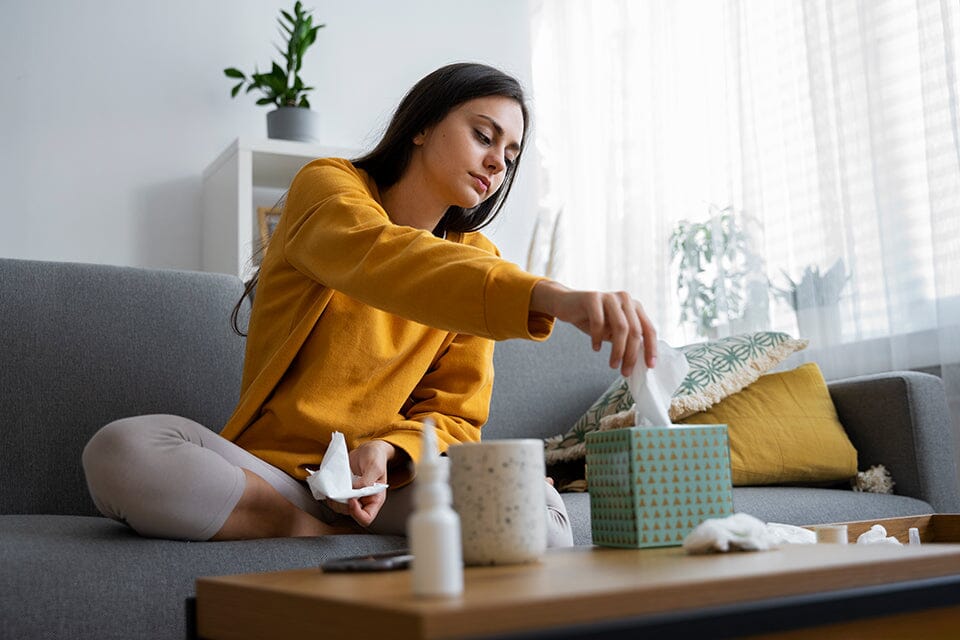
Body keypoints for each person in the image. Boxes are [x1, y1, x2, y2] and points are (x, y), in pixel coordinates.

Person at [82, 62, 657, 544]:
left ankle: (327, 526)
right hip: (272, 472)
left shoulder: (478, 256)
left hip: (385, 490)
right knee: (122, 452)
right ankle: (305, 530)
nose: (496, 164)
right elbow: (388, 261)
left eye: (509, 155)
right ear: (422, 127)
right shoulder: (328, 188)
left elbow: (456, 418)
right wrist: (551, 295)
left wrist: (387, 451)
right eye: (484, 137)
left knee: (540, 518)